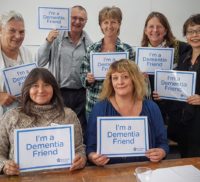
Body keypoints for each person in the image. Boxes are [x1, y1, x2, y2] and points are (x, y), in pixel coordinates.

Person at [0, 68, 86, 175]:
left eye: (46, 85)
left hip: (62, 177)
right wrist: (4, 165)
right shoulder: (12, 116)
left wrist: (81, 159)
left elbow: (79, 149)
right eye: (35, 86)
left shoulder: (68, 115)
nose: (41, 90)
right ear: (27, 89)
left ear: (54, 88)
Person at [86, 59, 169, 166]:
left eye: (125, 77)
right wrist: (93, 157)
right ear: (111, 82)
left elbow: (163, 143)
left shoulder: (151, 107)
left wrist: (161, 152)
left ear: (134, 79)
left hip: (145, 170)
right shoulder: (100, 109)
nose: (120, 82)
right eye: (115, 78)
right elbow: (90, 147)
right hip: (109, 172)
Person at [37, 5, 92, 135]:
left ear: (85, 22)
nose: (77, 22)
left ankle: (79, 154)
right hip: (58, 92)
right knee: (57, 128)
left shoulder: (90, 44)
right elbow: (40, 62)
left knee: (79, 130)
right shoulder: (55, 39)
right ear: (67, 18)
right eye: (74, 18)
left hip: (81, 94)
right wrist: (48, 41)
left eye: (81, 19)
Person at [154, 14, 200, 157]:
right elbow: (177, 87)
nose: (194, 35)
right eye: (190, 32)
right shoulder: (184, 58)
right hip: (184, 125)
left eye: (198, 31)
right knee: (186, 162)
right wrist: (163, 95)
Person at [141, 12, 191, 140]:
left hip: (177, 111)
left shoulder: (182, 48)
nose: (155, 30)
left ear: (166, 30)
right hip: (151, 110)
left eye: (159, 26)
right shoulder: (140, 54)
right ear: (146, 30)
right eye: (151, 27)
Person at [80, 6, 134, 118]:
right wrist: (88, 79)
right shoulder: (91, 49)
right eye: (105, 22)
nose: (109, 26)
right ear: (100, 25)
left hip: (121, 106)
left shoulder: (127, 50)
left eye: (113, 22)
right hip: (95, 103)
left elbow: (133, 78)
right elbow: (82, 75)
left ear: (119, 24)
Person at [0, 10, 33, 117]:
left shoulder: (27, 53)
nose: (18, 36)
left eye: (21, 32)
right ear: (1, 30)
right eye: (12, 31)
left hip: (23, 113)